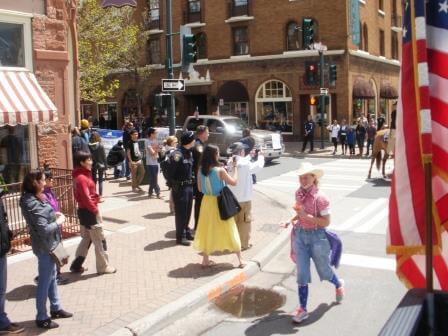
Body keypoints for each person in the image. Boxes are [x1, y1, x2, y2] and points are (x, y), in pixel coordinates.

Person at [283, 162, 344, 323]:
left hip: (318, 237)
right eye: (300, 177)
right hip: (301, 237)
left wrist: (305, 216)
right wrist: (290, 220)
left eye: (306, 177)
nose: (303, 180)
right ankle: (302, 309)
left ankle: (338, 284)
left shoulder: (321, 198)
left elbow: (326, 222)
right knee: (302, 273)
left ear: (313, 177)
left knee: (324, 271)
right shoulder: (298, 193)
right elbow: (298, 213)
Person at [20, 170, 73, 329]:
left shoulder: (36, 197)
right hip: (45, 246)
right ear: (35, 182)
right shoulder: (30, 202)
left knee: (51, 278)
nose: (45, 182)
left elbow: (43, 217)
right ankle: (41, 317)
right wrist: (59, 222)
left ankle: (55, 308)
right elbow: (42, 229)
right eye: (42, 180)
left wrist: (53, 214)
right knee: (44, 281)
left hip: (49, 243)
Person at [193, 145, 246, 268]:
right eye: (217, 153)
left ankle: (205, 260)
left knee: (206, 229)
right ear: (214, 155)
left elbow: (200, 189)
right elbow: (234, 182)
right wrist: (235, 169)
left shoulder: (201, 170)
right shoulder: (220, 170)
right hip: (219, 201)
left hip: (207, 202)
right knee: (229, 227)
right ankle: (240, 260)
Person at [70, 151, 116, 275]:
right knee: (100, 240)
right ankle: (103, 267)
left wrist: (96, 197)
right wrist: (95, 209)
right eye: (88, 160)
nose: (91, 161)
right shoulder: (81, 177)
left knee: (87, 239)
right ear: (81, 162)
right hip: (90, 212)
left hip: (85, 211)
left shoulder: (82, 175)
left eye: (91, 159)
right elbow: (85, 197)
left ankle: (76, 264)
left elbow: (88, 193)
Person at [33, 171, 68, 286]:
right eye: (49, 179)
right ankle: (54, 276)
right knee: (55, 252)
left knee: (58, 251)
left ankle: (52, 274)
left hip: (56, 225)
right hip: (51, 228)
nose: (52, 180)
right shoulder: (42, 196)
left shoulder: (50, 192)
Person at [228, 143, 264, 251]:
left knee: (233, 222)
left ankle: (233, 243)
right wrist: (261, 156)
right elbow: (257, 167)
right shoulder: (244, 163)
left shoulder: (230, 162)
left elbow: (243, 161)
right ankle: (243, 244)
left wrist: (250, 156)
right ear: (241, 152)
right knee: (244, 222)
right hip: (244, 198)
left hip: (232, 198)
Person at [0, 192, 25, 334]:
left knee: (1, 290)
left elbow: (3, 220)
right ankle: (2, 323)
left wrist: (8, 234)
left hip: (2, 247)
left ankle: (2, 319)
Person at [166, 131, 196, 246]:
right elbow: (170, 172)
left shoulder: (189, 153)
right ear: (189, 141)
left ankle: (186, 231)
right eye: (193, 139)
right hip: (180, 188)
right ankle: (180, 236)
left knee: (188, 211)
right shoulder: (177, 154)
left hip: (188, 186)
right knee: (181, 213)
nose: (194, 141)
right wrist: (173, 185)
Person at [192, 126, 209, 231]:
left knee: (200, 202)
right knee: (199, 202)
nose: (208, 134)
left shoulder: (199, 144)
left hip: (199, 178)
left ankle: (199, 225)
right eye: (207, 132)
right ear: (202, 133)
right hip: (199, 179)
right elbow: (202, 163)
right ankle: (198, 226)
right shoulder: (198, 146)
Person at [162, 136, 178, 214]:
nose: (177, 144)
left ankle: (172, 208)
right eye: (176, 142)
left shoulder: (167, 150)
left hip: (168, 174)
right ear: (172, 143)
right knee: (174, 192)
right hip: (173, 175)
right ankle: (173, 209)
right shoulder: (173, 151)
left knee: (172, 191)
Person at [88, 132, 107, 200]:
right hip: (101, 164)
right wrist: (106, 166)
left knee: (94, 180)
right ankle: (100, 196)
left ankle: (94, 195)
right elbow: (104, 157)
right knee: (100, 181)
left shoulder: (89, 146)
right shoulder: (101, 145)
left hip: (92, 164)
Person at [145, 128, 161, 198]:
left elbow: (158, 151)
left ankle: (150, 192)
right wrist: (158, 149)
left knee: (153, 178)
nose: (156, 134)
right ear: (151, 134)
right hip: (150, 163)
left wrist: (160, 149)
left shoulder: (156, 141)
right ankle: (158, 192)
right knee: (154, 178)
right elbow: (152, 153)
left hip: (156, 162)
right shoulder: (147, 141)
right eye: (155, 133)